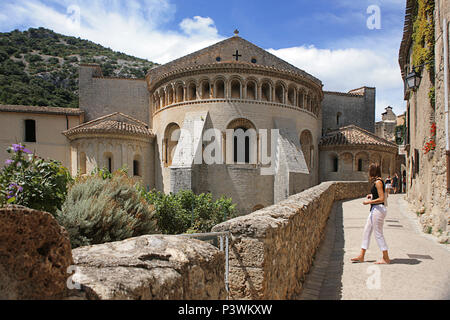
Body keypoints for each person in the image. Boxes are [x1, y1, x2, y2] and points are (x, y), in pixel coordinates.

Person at [351, 163, 391, 264]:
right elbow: (380, 195)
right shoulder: (379, 181)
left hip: (378, 210)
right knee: (367, 231)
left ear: (372, 171)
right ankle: (361, 255)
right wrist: (372, 195)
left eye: (369, 169)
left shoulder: (378, 182)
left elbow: (382, 198)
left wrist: (368, 202)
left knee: (378, 234)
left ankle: (386, 257)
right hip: (375, 209)